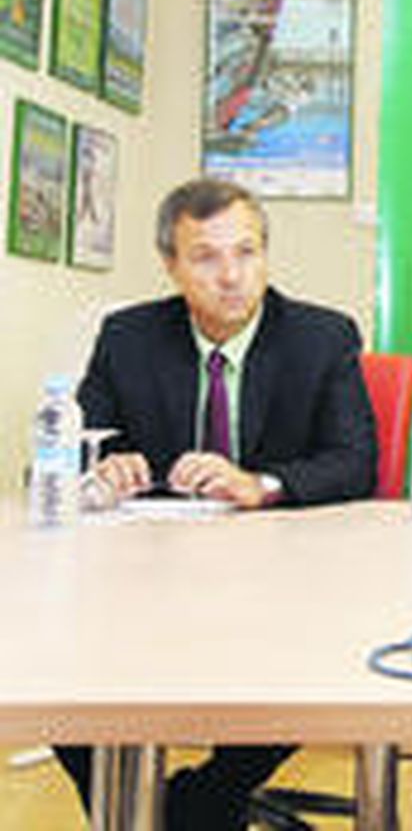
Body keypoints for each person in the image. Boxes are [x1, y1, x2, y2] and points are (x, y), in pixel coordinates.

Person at [56, 177, 377, 831]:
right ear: (171, 267)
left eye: (247, 252)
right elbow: (63, 454)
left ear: (266, 256)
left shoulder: (323, 337)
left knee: (316, 663)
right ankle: (128, 805)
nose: (231, 276)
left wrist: (262, 485)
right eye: (205, 257)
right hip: (148, 573)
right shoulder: (128, 337)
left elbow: (355, 461)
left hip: (282, 572)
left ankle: (201, 802)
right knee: (58, 662)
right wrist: (99, 473)